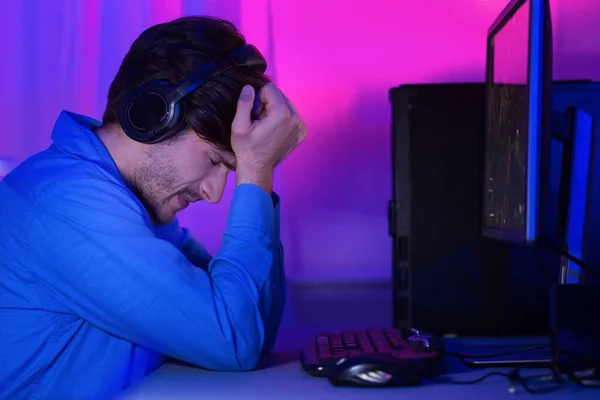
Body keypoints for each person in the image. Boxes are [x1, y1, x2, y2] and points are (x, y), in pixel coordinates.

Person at [0, 16, 306, 399]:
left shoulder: (127, 201)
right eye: (215, 161)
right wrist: (256, 170)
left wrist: (259, 172)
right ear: (152, 115)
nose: (214, 194)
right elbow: (233, 338)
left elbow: (252, 326)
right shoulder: (67, 204)